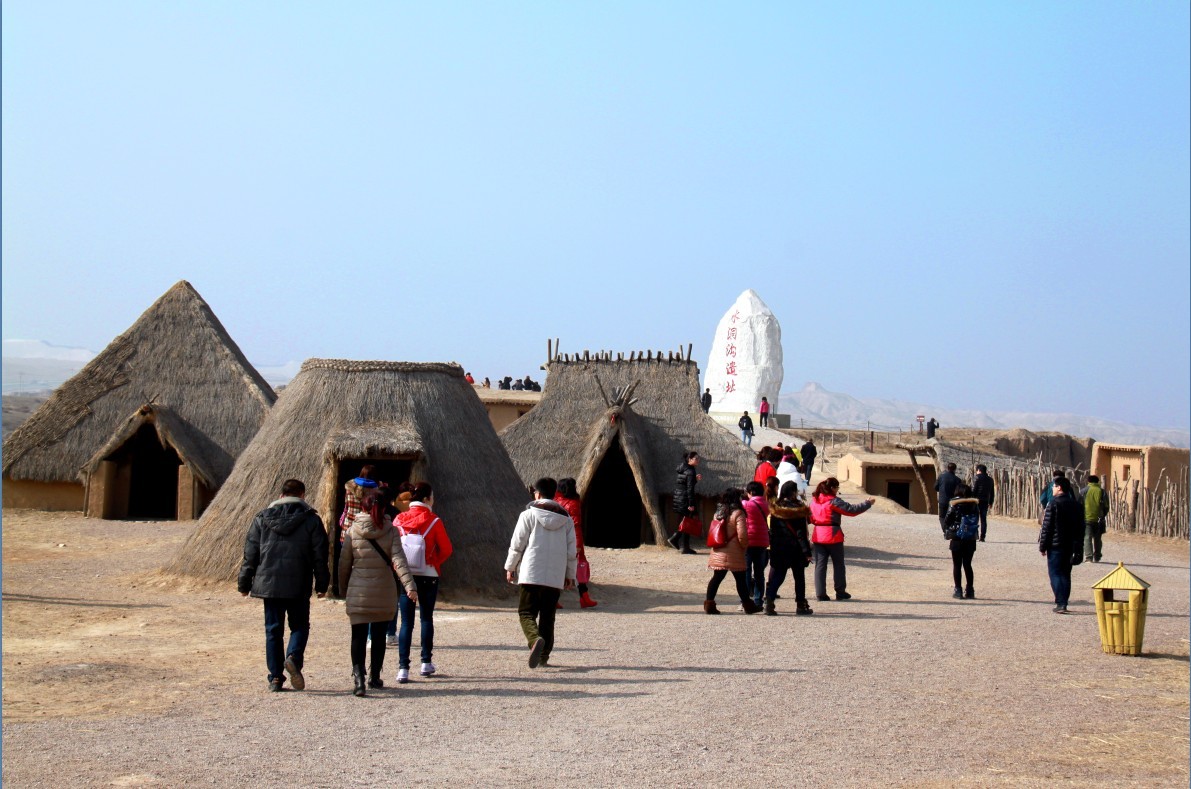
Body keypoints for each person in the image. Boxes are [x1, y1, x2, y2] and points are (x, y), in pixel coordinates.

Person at [238, 479, 330, 692]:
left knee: (273, 630)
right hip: (299, 582)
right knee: (299, 626)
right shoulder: (311, 520)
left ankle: (276, 678)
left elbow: (250, 554)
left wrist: (244, 582)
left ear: (281, 495)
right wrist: (322, 585)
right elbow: (320, 555)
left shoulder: (261, 518)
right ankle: (294, 657)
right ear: (302, 496)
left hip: (269, 583)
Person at [339, 489, 418, 696]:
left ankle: (358, 679)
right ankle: (375, 676)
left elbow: (344, 563)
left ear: (362, 507)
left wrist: (343, 588)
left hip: (359, 589)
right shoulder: (390, 530)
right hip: (383, 588)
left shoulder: (352, 531)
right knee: (379, 634)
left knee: (358, 634)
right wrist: (410, 586)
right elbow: (399, 560)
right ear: (384, 508)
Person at [505, 478, 577, 668]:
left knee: (526, 612)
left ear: (537, 494)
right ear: (554, 494)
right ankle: (544, 656)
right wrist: (571, 575)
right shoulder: (566, 519)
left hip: (531, 572)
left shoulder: (527, 515)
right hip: (555, 575)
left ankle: (534, 639)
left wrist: (510, 567)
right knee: (548, 615)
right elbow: (572, 551)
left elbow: (517, 544)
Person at [390, 482, 453, 684]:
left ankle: (403, 668)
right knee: (426, 618)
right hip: (429, 573)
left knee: (406, 621)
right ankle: (426, 662)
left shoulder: (399, 519)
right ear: (427, 499)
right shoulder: (434, 520)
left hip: (406, 575)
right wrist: (432, 561)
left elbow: (392, 547)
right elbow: (446, 549)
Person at [809, 477, 874, 602]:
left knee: (820, 565)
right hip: (833, 535)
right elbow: (851, 510)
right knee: (838, 564)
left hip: (818, 534)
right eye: (837, 488)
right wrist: (867, 504)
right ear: (832, 488)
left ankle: (820, 593)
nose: (838, 490)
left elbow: (810, 518)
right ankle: (840, 591)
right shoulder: (833, 501)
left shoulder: (814, 502)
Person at [704, 489, 761, 615]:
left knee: (717, 578)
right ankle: (748, 605)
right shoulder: (738, 513)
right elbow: (742, 535)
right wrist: (744, 546)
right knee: (740, 579)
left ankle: (709, 604)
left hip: (718, 549)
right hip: (733, 551)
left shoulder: (717, 513)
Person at [765, 481, 814, 616]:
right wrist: (807, 552)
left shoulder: (776, 508)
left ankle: (769, 601)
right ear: (793, 492)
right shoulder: (798, 509)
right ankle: (801, 605)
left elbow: (772, 531)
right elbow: (801, 534)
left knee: (778, 576)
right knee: (799, 577)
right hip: (795, 549)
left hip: (779, 547)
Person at [1038, 476, 1083, 614]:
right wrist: (1078, 546)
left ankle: (1060, 602)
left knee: (1055, 573)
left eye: (1054, 486)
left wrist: (1043, 546)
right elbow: (1081, 528)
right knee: (1066, 574)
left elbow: (1047, 527)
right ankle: (1064, 601)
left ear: (1059, 487)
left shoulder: (1053, 504)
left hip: (1055, 545)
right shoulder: (1076, 505)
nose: (1052, 488)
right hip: (1070, 545)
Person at [335, 466, 379, 597]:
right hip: (366, 527)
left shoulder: (349, 488)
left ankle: (346, 589)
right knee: (364, 561)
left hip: (349, 528)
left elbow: (346, 507)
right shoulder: (374, 490)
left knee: (346, 561)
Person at [555, 478, 598, 608]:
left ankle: (554, 598)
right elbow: (576, 525)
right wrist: (578, 544)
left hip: (559, 539)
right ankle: (584, 598)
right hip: (572, 540)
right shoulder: (573, 503)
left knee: (559, 569)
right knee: (579, 569)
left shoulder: (556, 502)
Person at [942, 484, 980, 599]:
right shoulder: (974, 504)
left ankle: (958, 590)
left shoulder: (954, 504)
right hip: (970, 537)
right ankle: (970, 590)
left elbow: (947, 520)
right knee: (968, 564)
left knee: (957, 565)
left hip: (957, 537)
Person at [742, 481, 771, 609]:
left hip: (749, 540)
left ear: (751, 492)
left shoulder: (748, 504)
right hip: (763, 540)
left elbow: (741, 505)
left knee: (747, 570)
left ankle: (747, 598)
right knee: (759, 572)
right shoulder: (766, 504)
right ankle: (758, 599)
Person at [667, 451, 700, 554]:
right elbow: (689, 489)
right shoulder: (690, 471)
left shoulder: (683, 468)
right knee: (687, 523)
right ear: (690, 459)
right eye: (696, 458)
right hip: (685, 498)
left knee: (686, 522)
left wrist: (695, 480)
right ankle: (675, 538)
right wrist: (691, 504)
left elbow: (685, 483)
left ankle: (685, 547)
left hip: (679, 497)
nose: (698, 460)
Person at [1080, 475, 1109, 563]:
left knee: (1087, 537)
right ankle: (1097, 556)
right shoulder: (1102, 492)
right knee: (1097, 538)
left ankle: (1089, 557)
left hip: (1086, 518)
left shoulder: (1083, 491)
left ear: (1088, 481)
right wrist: (1103, 515)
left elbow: (1079, 504)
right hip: (1099, 519)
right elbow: (1106, 506)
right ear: (1097, 482)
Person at [972, 464, 995, 542]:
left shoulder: (977, 477)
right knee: (983, 519)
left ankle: (976, 535)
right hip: (985, 501)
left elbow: (974, 490)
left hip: (976, 500)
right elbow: (992, 492)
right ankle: (983, 537)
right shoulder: (990, 479)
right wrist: (991, 502)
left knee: (975, 518)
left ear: (979, 470)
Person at [934, 462, 961, 529]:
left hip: (943, 500)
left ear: (947, 468)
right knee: (952, 516)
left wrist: (941, 490)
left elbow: (935, 487)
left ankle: (945, 529)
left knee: (942, 516)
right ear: (955, 469)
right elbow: (959, 491)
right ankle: (950, 529)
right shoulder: (957, 480)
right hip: (953, 501)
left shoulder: (941, 477)